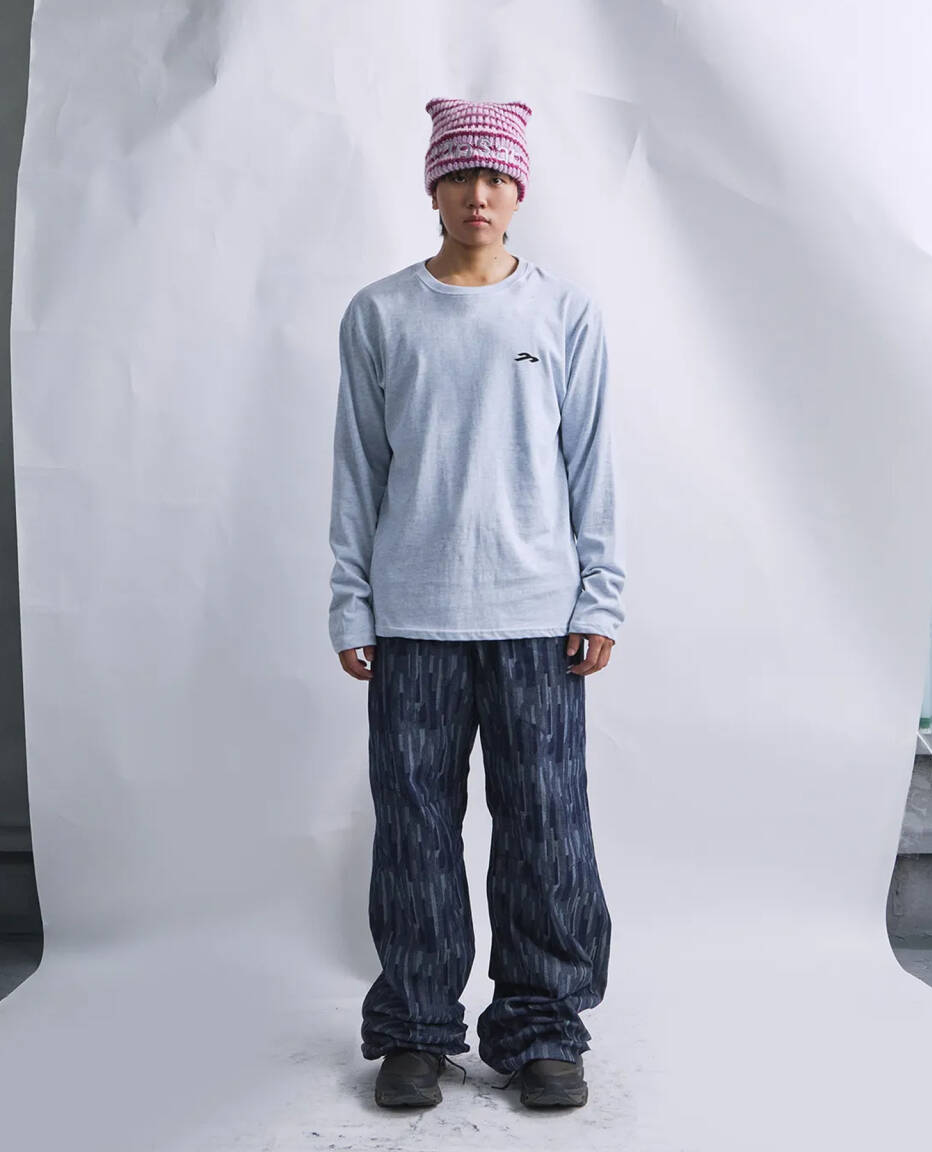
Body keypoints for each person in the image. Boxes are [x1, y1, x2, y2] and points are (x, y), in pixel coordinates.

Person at [327, 96, 626, 1111]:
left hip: (538, 618)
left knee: (546, 829)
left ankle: (542, 1029)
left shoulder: (564, 314)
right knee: (414, 831)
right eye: (460, 174)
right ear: (433, 185)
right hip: (414, 618)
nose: (479, 194)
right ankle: (416, 1029)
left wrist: (601, 598)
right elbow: (358, 472)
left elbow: (592, 466)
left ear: (520, 188)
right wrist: (351, 604)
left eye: (496, 176)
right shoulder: (379, 314)